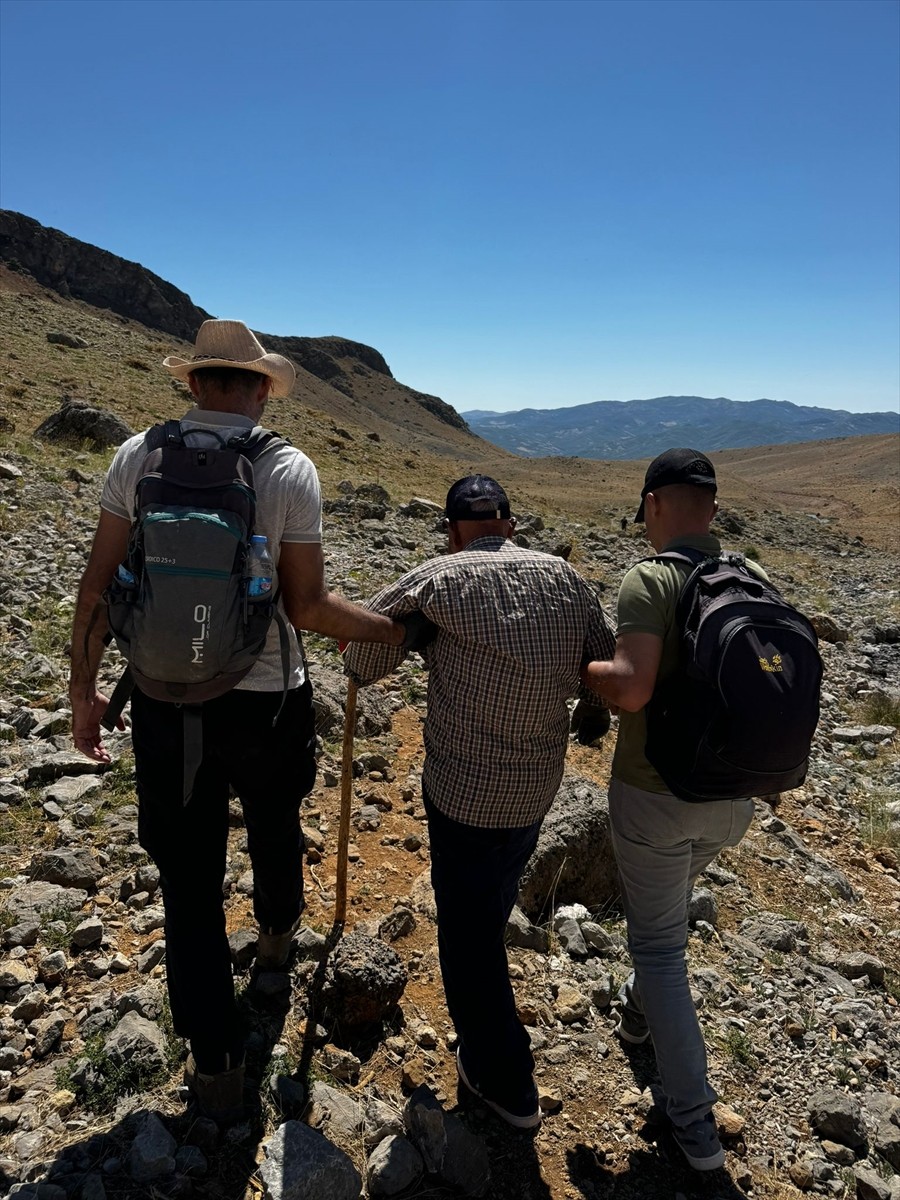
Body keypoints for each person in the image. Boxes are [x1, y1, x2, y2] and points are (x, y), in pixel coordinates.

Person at [69, 320, 413, 1122]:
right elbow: (308, 605)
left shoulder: (136, 455)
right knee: (272, 822)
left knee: (186, 883)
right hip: (265, 701)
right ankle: (272, 951)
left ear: (193, 383)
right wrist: (398, 631)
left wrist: (83, 695)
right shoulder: (287, 466)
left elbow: (95, 587)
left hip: (161, 700)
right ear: (261, 388)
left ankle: (217, 1067)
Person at [344, 475, 615, 1129]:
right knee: (490, 897)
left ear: (452, 529)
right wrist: (591, 710)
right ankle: (490, 1008)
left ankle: (505, 1078)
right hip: (535, 788)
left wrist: (419, 636)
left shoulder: (437, 579)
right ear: (510, 525)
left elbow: (359, 663)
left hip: (463, 791)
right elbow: (601, 661)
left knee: (465, 939)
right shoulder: (566, 579)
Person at [581, 448, 758, 1172]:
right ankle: (634, 1020)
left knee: (659, 948)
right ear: (711, 510)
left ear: (653, 504)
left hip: (656, 794)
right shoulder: (752, 577)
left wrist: (579, 666)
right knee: (665, 917)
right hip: (735, 800)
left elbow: (630, 688)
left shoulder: (651, 577)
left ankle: (692, 1125)